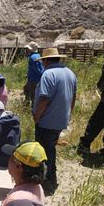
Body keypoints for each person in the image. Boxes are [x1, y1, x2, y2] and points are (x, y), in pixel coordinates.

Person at [33, 48, 76, 194]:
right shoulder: (70, 73)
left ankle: (46, 183)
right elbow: (73, 97)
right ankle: (52, 177)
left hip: (47, 121)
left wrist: (37, 117)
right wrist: (68, 114)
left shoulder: (48, 74)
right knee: (50, 149)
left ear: (46, 60)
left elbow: (44, 98)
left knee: (44, 152)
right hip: (60, 120)